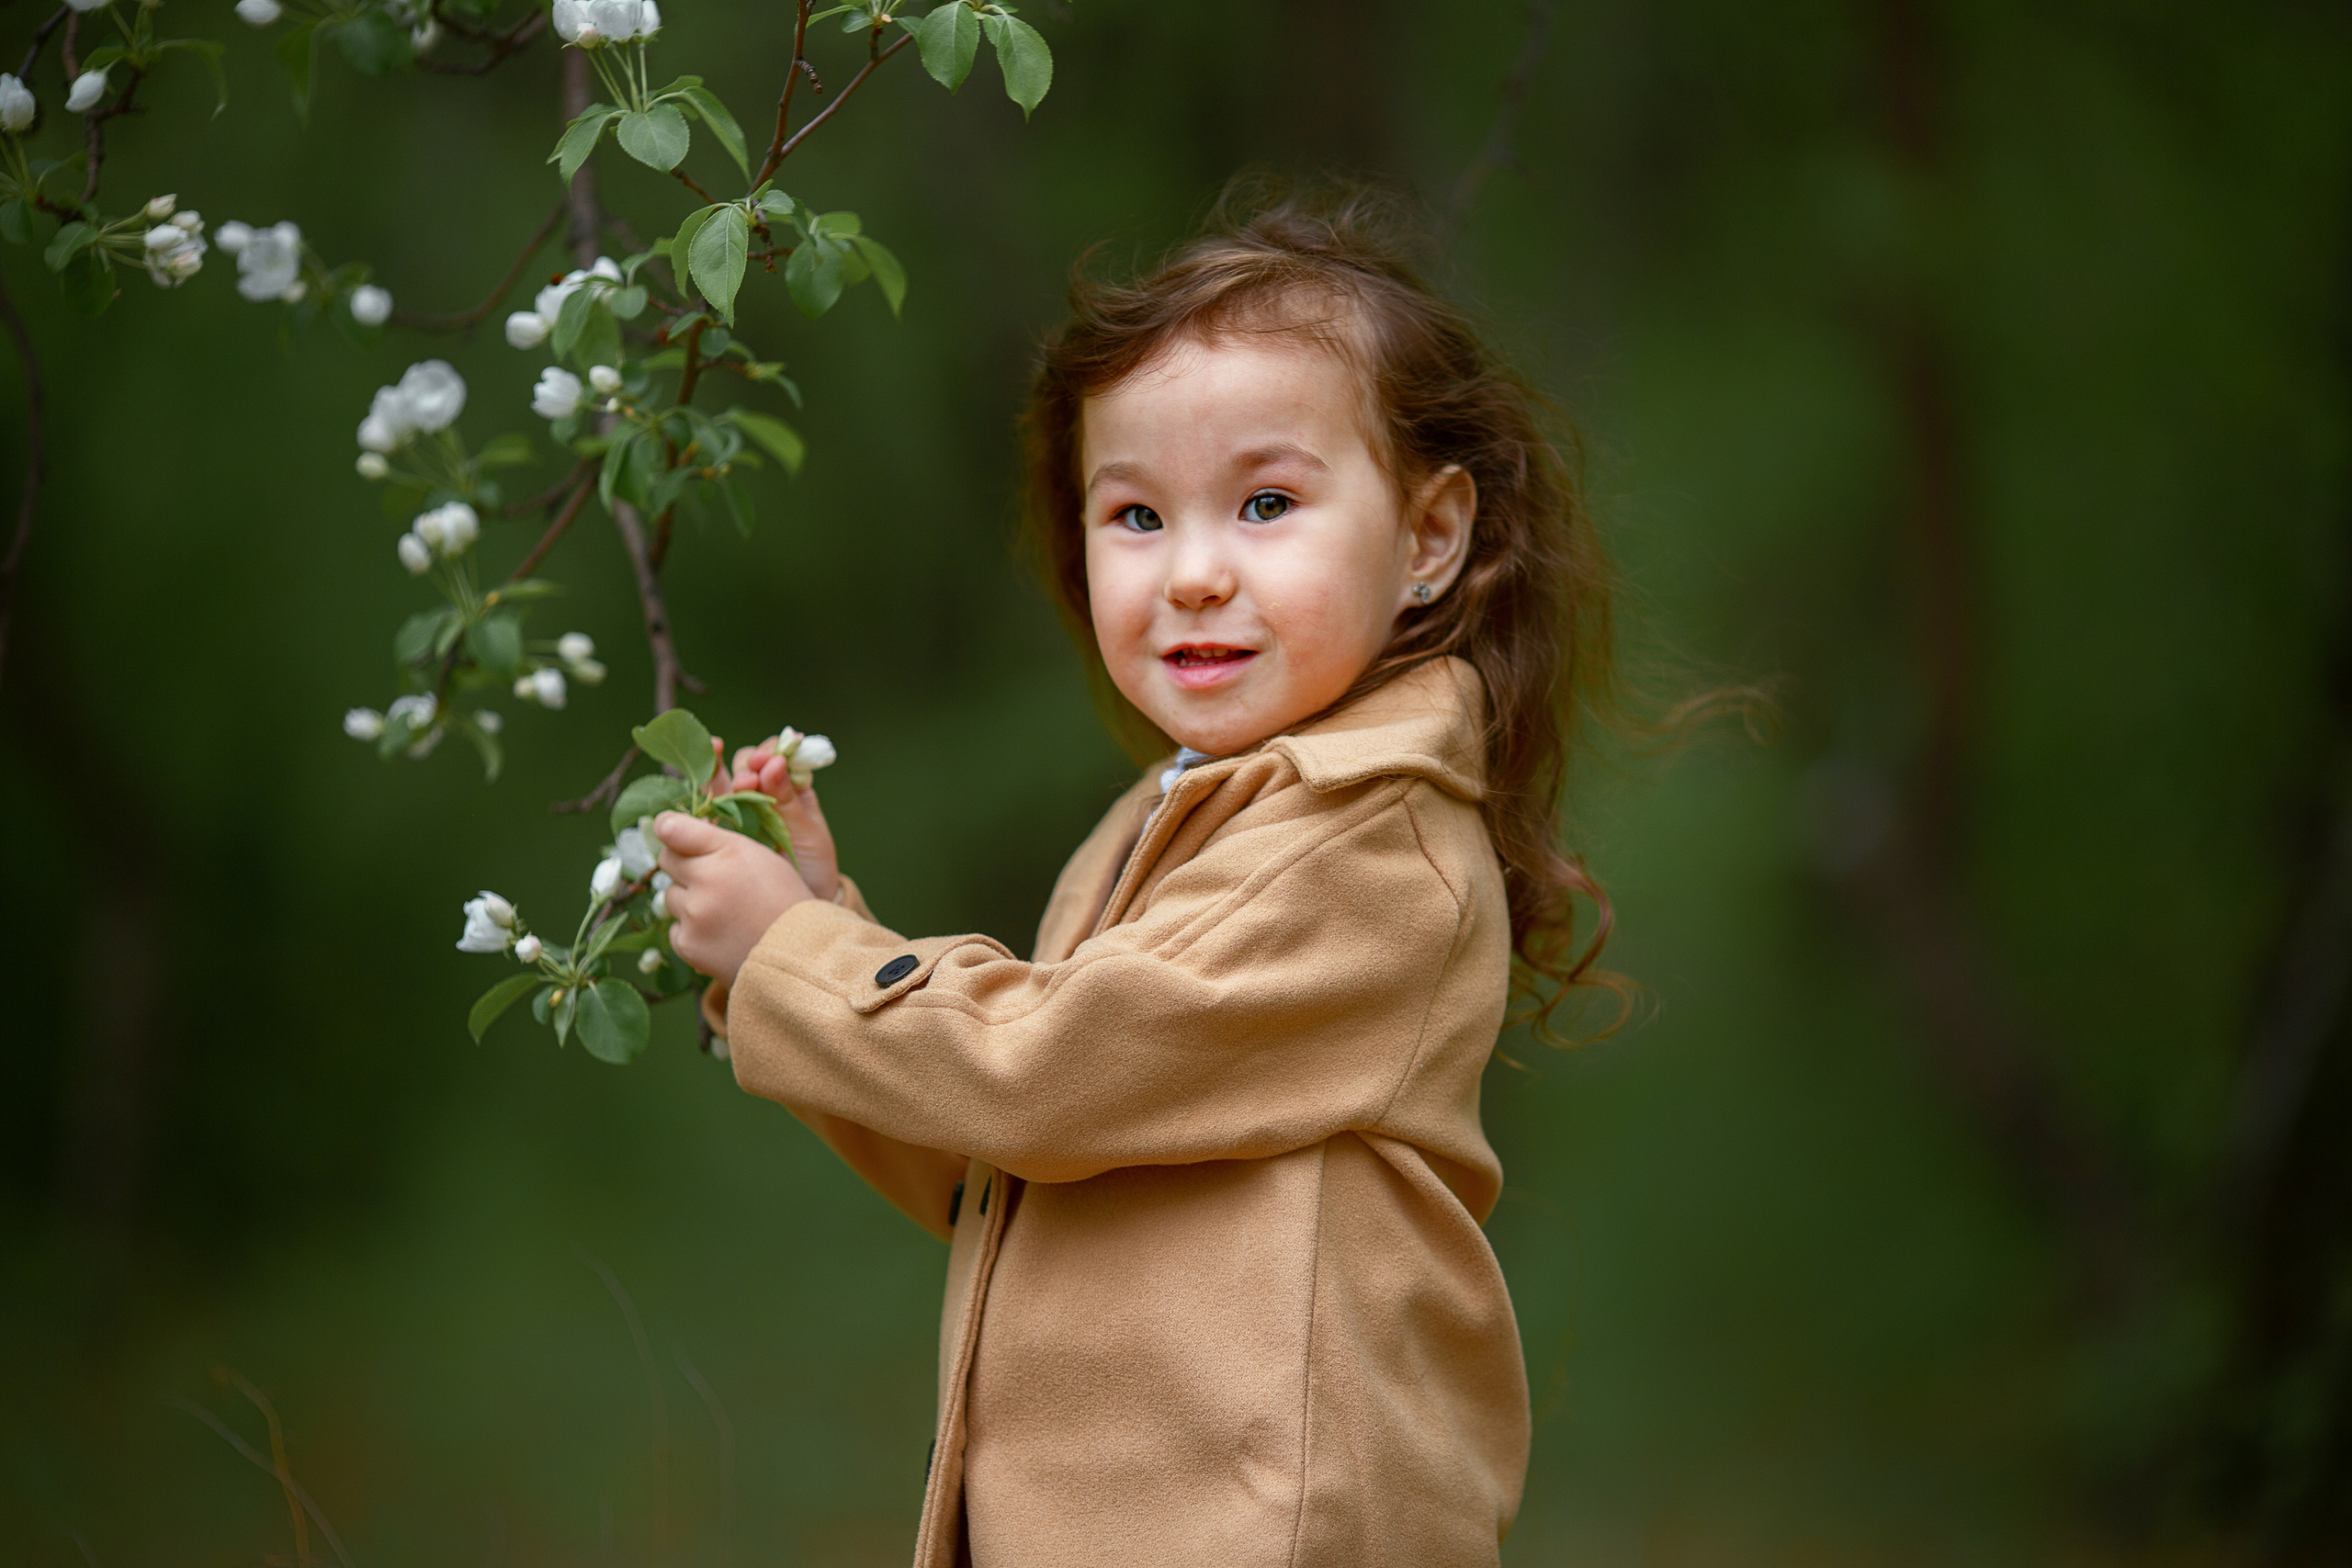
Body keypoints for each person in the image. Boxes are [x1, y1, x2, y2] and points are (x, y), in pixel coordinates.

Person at [651, 186, 1618, 1568]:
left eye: (1267, 503)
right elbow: (1018, 1159)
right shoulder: (1163, 822)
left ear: (1427, 538)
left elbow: (1041, 1076)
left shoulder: (1369, 840)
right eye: (1137, 517)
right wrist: (806, 938)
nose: (1196, 575)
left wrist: (803, 962)